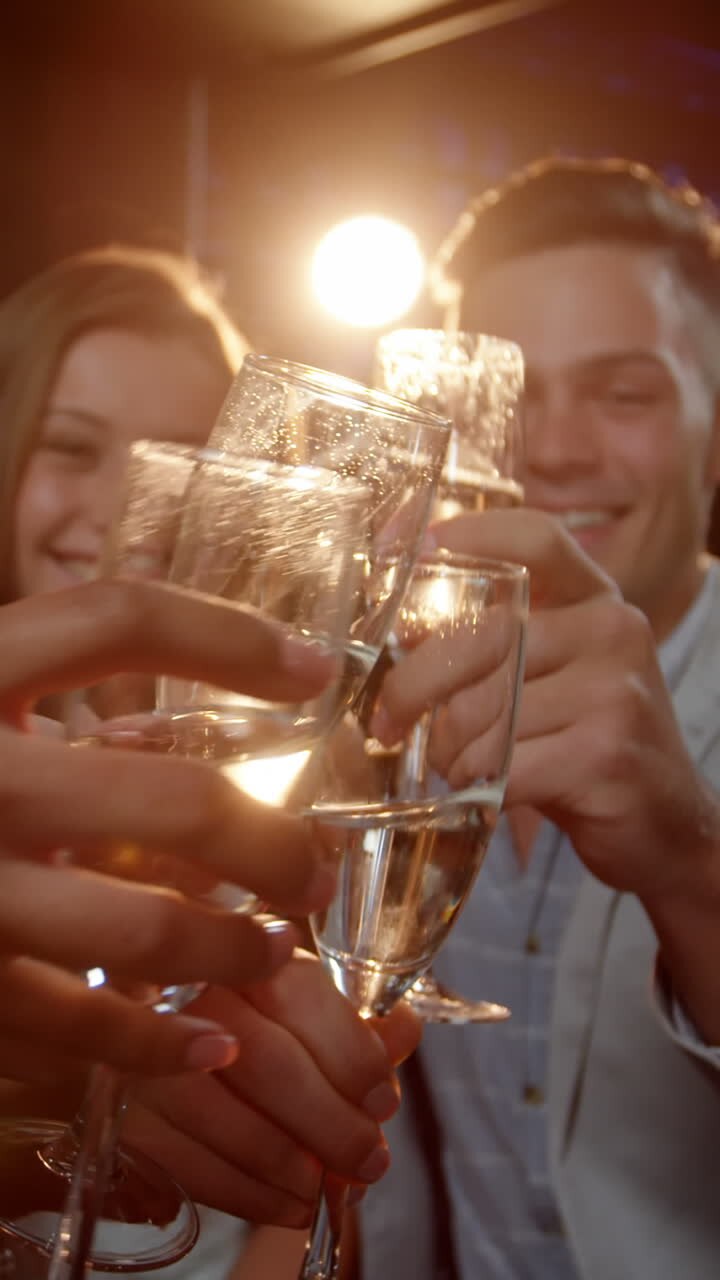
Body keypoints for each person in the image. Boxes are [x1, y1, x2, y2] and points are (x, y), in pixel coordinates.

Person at [0, 247, 420, 1253]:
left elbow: (328, 1187)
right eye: (70, 446)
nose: (120, 503)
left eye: (186, 454)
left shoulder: (317, 787)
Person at [356, 157, 720, 1280]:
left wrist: (691, 865)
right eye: (514, 399)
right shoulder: (390, 696)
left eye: (623, 392)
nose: (555, 451)